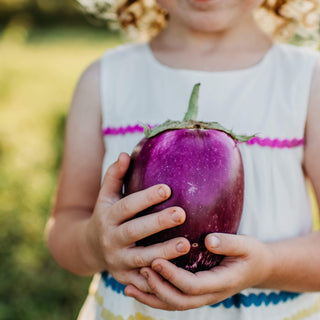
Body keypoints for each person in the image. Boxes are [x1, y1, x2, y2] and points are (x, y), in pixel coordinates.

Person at [46, 0, 320, 319]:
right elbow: (65, 225)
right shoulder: (104, 80)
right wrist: (95, 245)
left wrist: (267, 265)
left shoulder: (307, 81)